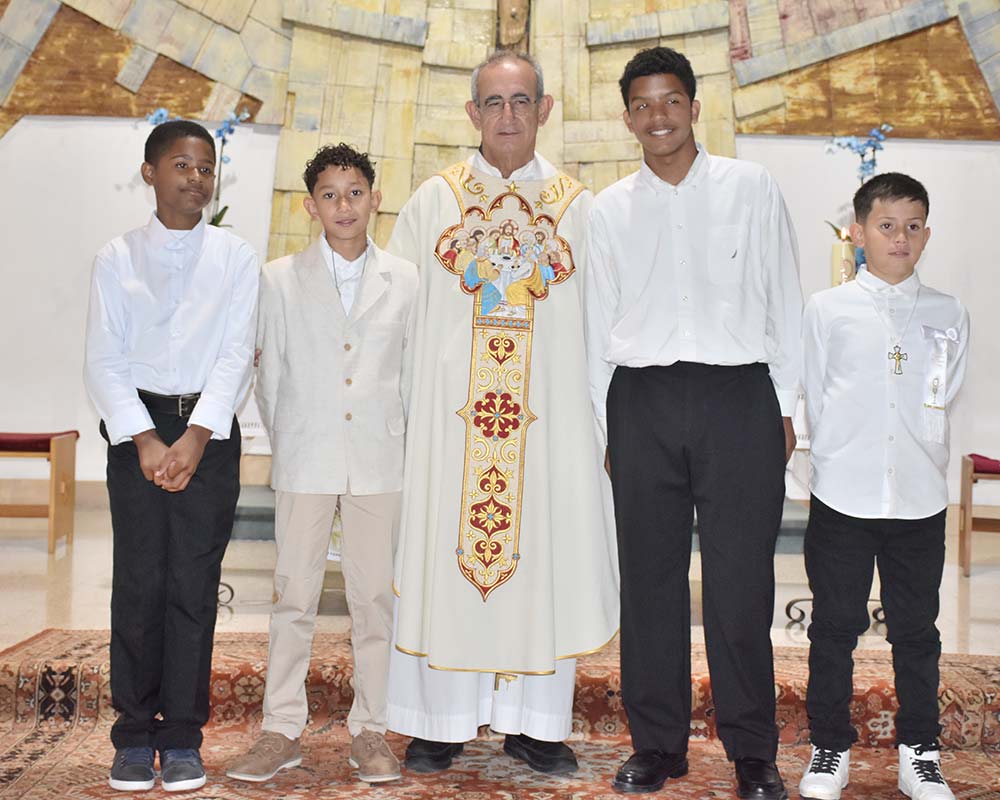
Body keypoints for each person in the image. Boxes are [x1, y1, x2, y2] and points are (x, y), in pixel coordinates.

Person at [385, 49, 619, 776]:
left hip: (549, 432)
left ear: (545, 110)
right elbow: (396, 318)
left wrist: (603, 428)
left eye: (522, 101)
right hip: (451, 431)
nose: (508, 116)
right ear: (472, 113)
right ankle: (439, 721)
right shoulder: (434, 202)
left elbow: (607, 325)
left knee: (542, 561)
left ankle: (537, 726)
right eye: (494, 102)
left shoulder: (580, 209)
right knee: (447, 566)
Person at [585, 47, 802, 798]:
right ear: (627, 118)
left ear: (695, 106)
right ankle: (658, 745)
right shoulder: (606, 209)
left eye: (670, 100)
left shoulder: (751, 188)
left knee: (741, 585)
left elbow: (785, 301)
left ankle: (751, 751)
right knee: (649, 584)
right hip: (640, 404)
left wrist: (785, 405)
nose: (658, 116)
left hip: (738, 399)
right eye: (642, 105)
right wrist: (602, 428)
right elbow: (593, 325)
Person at [226, 144, 417, 785]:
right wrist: (297, 436)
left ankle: (372, 732)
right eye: (330, 195)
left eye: (355, 191)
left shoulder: (407, 280)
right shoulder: (279, 278)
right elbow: (270, 374)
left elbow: (411, 375)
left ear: (374, 198)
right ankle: (280, 730)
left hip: (378, 457)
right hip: (306, 454)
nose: (343, 205)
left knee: (373, 599)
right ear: (311, 205)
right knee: (293, 596)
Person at [83, 119, 258, 792]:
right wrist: (147, 437)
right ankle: (132, 738)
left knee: (192, 589)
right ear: (150, 172)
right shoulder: (116, 257)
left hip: (206, 434)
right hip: (138, 430)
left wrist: (195, 436)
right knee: (138, 584)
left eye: (207, 168)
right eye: (182, 166)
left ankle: (183, 737)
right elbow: (104, 358)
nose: (196, 179)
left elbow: (236, 353)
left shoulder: (235, 258)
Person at [797, 173, 968, 800]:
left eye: (913, 226)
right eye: (887, 225)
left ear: (927, 234)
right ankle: (829, 749)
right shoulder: (827, 309)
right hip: (844, 493)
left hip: (919, 498)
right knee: (835, 628)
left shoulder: (950, 312)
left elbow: (941, 395)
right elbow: (811, 390)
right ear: (859, 232)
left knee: (917, 632)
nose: (900, 237)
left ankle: (919, 752)